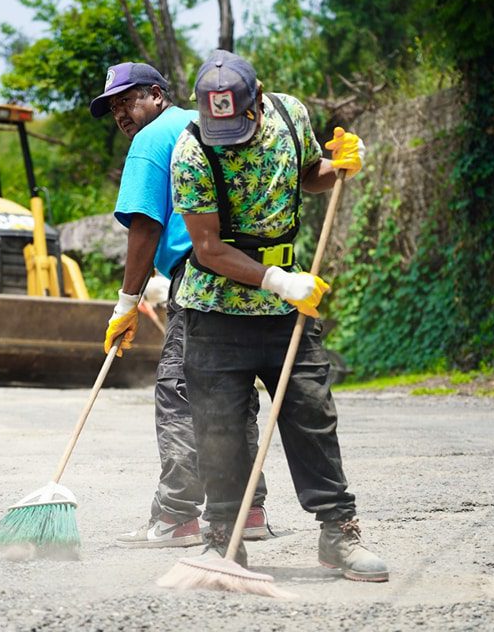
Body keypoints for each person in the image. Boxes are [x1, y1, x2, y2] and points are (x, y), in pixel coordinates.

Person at [170, 50, 389, 581]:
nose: (229, 138)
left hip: (288, 310)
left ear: (258, 101)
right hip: (216, 309)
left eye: (238, 126)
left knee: (312, 416)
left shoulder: (291, 115)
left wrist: (336, 168)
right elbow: (207, 248)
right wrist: (277, 280)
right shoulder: (192, 150)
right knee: (219, 428)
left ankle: (337, 533)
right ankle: (222, 538)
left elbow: (308, 173)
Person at [89, 62, 270, 548]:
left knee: (180, 391)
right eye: (113, 108)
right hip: (246, 270)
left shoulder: (152, 139)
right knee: (231, 392)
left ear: (156, 94)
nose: (121, 114)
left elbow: (145, 227)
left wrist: (126, 304)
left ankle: (177, 517)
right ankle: (248, 510)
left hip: (199, 276)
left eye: (128, 100)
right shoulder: (210, 123)